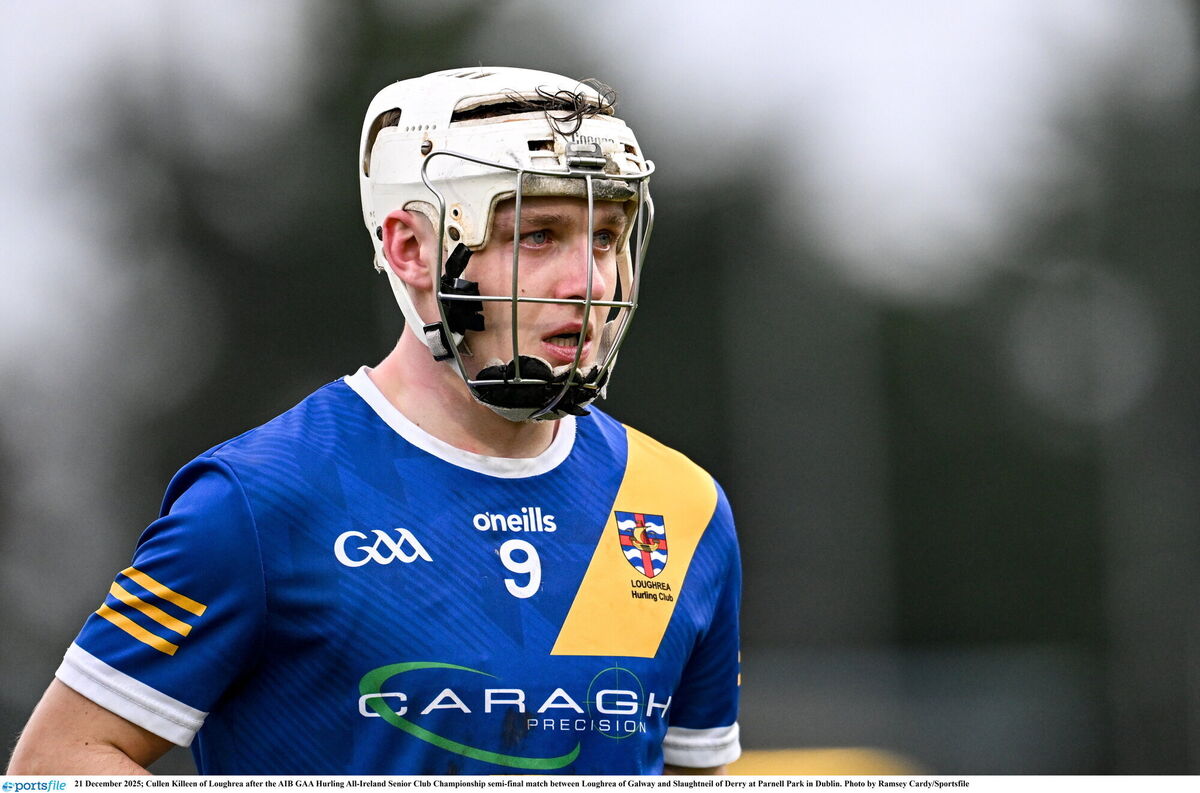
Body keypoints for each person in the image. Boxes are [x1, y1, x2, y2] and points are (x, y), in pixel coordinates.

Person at [8, 67, 741, 775]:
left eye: (607, 237)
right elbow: (55, 764)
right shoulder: (264, 501)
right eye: (540, 235)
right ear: (411, 248)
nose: (589, 282)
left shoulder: (682, 507)